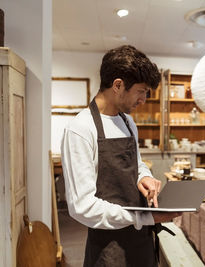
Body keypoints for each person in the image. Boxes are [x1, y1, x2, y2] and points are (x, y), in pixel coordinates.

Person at [61, 45, 180, 267]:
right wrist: (142, 217)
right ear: (118, 85)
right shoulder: (80, 129)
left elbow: (136, 163)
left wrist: (143, 176)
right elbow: (82, 206)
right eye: (141, 91)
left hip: (141, 240)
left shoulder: (128, 122)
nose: (144, 99)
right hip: (108, 249)